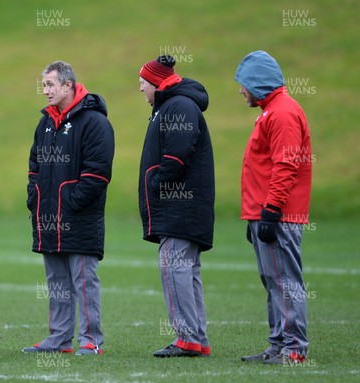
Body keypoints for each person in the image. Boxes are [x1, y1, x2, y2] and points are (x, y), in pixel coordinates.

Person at [23, 61, 114, 356]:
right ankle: (59, 339)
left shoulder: (94, 122)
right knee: (57, 283)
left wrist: (71, 203)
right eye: (44, 85)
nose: (45, 90)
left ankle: (91, 339)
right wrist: (35, 196)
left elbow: (98, 173)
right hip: (49, 218)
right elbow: (34, 166)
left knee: (84, 281)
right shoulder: (45, 122)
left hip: (79, 218)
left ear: (68, 85)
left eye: (50, 84)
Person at [235, 50, 312, 365]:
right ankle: (278, 344)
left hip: (277, 214)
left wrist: (270, 212)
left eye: (244, 84)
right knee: (273, 282)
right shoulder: (271, 110)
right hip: (264, 212)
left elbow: (286, 166)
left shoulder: (281, 113)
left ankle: (293, 349)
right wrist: (256, 214)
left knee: (285, 282)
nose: (241, 90)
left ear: (258, 83)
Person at [137, 55, 215, 358]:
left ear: (157, 83)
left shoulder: (179, 105)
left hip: (180, 206)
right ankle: (197, 338)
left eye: (143, 82)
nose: (140, 88)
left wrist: (158, 182)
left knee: (174, 267)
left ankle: (187, 338)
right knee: (186, 270)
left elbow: (177, 155)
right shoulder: (171, 105)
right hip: (183, 207)